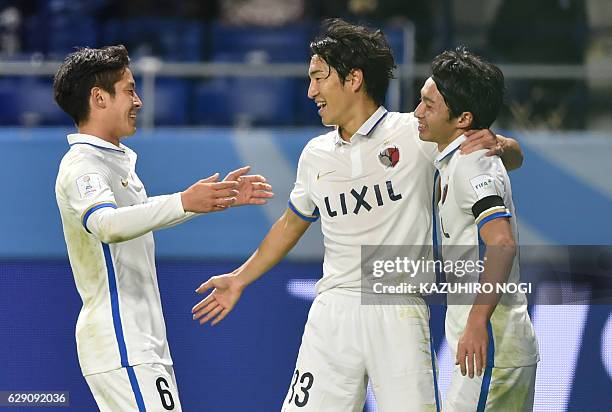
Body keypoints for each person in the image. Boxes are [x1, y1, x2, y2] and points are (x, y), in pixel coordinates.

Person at [191, 19, 523, 412]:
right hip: (332, 312)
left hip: (398, 310)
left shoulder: (416, 135)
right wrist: (239, 278)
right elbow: (290, 224)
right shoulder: (314, 154)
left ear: (353, 79)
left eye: (318, 78)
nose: (311, 91)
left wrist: (500, 142)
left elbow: (502, 160)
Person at [53, 45, 273, 412]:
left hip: (143, 341)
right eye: (129, 90)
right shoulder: (82, 166)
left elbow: (134, 219)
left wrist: (211, 200)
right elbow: (106, 225)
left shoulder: (113, 162)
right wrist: (185, 201)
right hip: (121, 339)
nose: (139, 101)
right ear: (98, 98)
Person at [415, 47, 539, 411]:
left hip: (492, 350)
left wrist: (476, 322)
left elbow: (501, 244)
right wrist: (503, 143)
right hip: (488, 347)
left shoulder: (471, 166)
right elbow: (512, 156)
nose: (418, 113)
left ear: (463, 119)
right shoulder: (465, 154)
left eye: (428, 105)